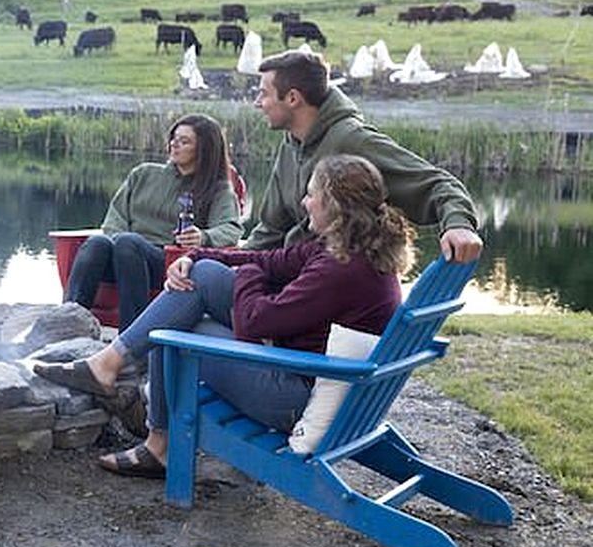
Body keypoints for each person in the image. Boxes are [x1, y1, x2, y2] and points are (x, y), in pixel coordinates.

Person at [34, 155, 416, 478]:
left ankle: (158, 443)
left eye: (312, 194)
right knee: (201, 277)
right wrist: (198, 256)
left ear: (334, 204)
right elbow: (268, 259)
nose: (304, 202)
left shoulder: (340, 269)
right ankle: (109, 364)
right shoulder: (347, 247)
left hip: (293, 394)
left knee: (174, 335)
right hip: (314, 373)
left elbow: (254, 322)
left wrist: (249, 276)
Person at [246, 49, 482, 264]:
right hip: (292, 278)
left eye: (264, 94)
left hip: (331, 290)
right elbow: (271, 231)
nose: (258, 104)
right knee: (213, 277)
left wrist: (459, 224)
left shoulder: (353, 140)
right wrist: (231, 261)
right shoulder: (291, 146)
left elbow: (440, 186)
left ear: (293, 98)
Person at [62, 114, 243, 332]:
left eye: (184, 141)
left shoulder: (218, 189)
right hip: (122, 253)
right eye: (174, 138)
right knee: (97, 244)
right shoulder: (143, 174)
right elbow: (115, 218)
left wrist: (203, 237)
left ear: (204, 150)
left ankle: (130, 339)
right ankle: (66, 326)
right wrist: (114, 240)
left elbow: (231, 229)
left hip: (168, 263)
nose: (174, 144)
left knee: (128, 244)